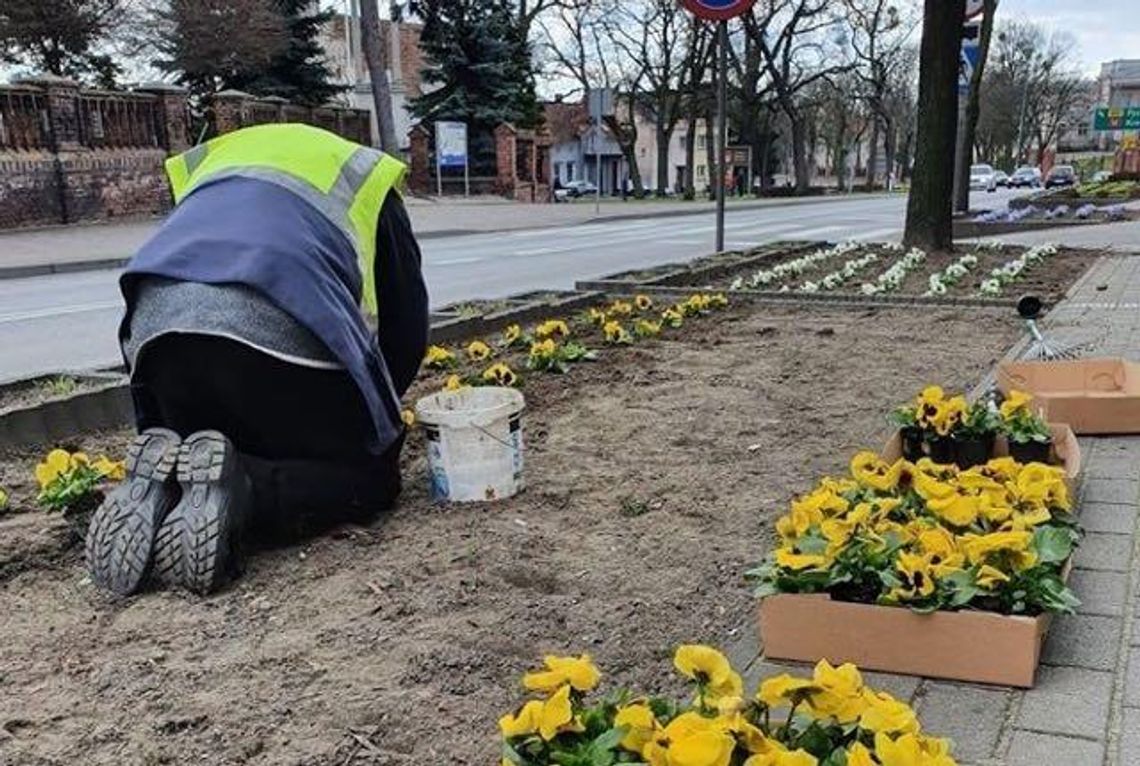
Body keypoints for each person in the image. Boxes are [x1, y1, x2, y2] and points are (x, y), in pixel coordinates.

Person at [84, 123, 428, 597]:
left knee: (208, 442)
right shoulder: (365, 176)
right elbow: (406, 332)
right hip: (280, 332)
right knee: (372, 481)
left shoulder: (208, 165)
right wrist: (375, 434)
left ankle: (170, 486)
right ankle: (247, 487)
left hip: (156, 336)